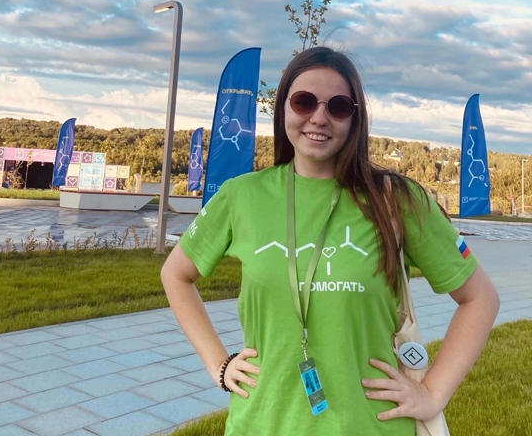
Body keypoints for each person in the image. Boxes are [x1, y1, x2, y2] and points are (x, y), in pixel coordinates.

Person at [160, 47, 500, 435]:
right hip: (262, 423)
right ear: (283, 107)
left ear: (355, 118)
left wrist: (433, 393)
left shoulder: (396, 200)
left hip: (370, 425)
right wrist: (219, 364)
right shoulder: (242, 196)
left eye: (338, 106)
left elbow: (481, 299)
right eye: (304, 101)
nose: (319, 117)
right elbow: (176, 274)